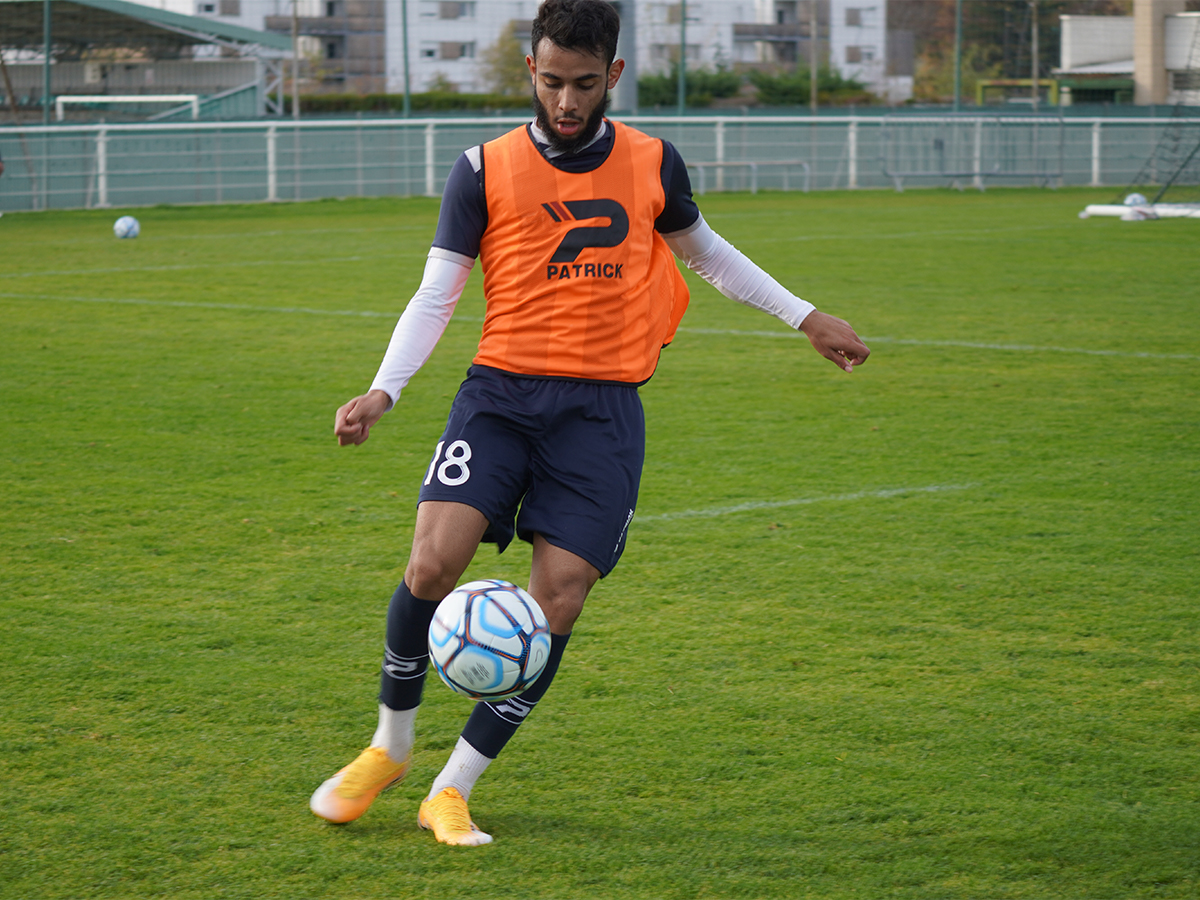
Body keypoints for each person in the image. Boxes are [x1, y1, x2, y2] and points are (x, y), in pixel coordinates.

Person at [310, 0, 869, 847]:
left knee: (560, 600)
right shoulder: (482, 169)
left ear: (612, 74)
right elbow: (437, 293)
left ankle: (452, 789)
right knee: (430, 564)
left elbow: (706, 253)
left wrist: (806, 316)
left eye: (582, 83)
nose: (565, 102)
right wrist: (384, 391)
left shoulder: (652, 160)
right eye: (549, 82)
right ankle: (389, 744)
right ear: (529, 72)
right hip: (500, 397)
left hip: (601, 411)